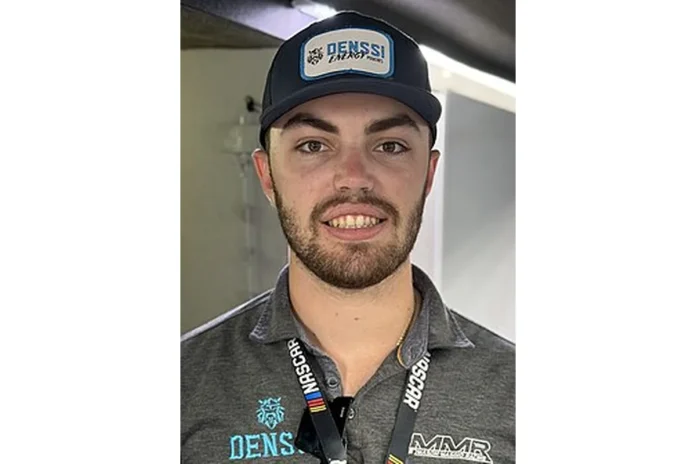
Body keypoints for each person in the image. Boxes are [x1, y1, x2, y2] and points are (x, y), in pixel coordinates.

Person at [181, 10, 514, 464]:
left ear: (428, 173)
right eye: (313, 146)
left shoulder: (515, 395)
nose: (354, 177)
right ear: (267, 175)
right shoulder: (183, 387)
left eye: (390, 146)